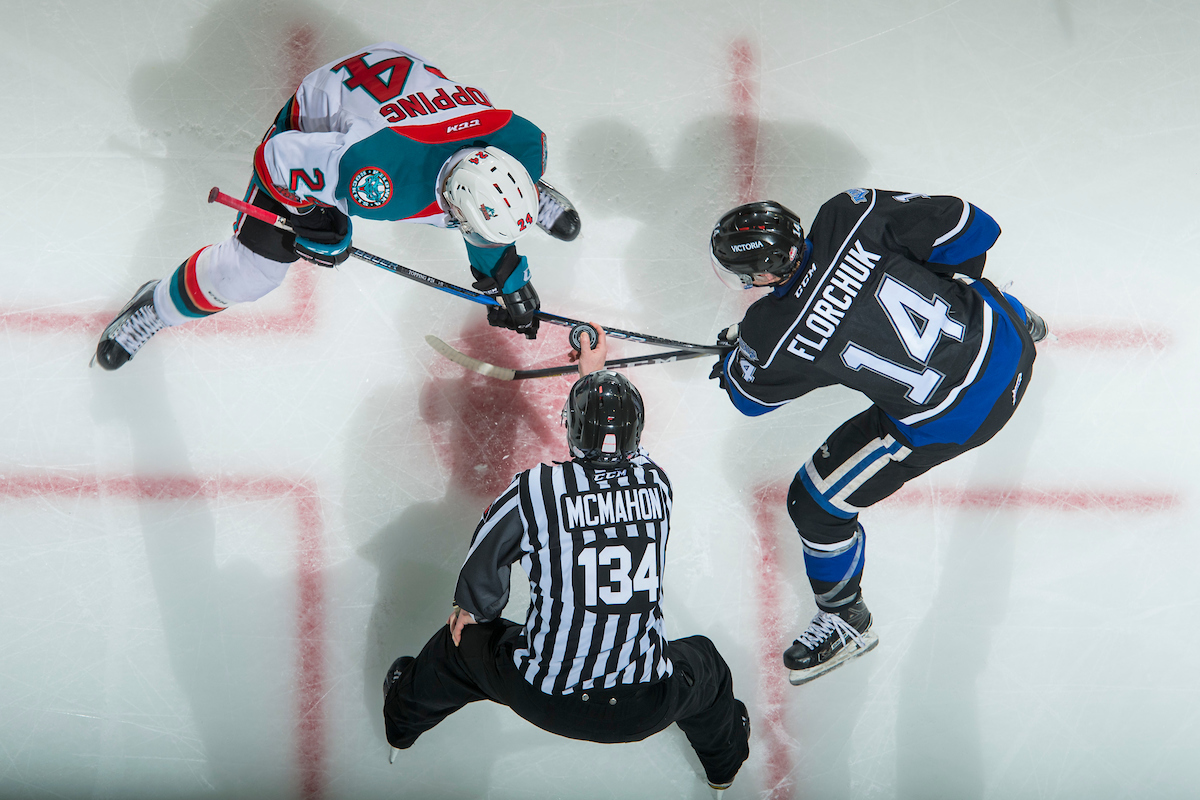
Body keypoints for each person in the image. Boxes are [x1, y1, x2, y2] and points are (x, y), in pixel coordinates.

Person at [382, 326, 751, 797]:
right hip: (647, 703)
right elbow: (613, 467)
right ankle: (725, 766)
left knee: (455, 650)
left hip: (545, 695)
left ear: (571, 427)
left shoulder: (536, 489)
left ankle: (400, 725)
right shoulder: (658, 486)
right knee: (707, 667)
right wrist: (595, 378)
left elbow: (489, 552)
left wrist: (472, 607)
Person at [708, 190, 1046, 686]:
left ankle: (846, 618)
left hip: (967, 417)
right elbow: (974, 229)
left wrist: (740, 355)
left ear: (763, 272)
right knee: (960, 289)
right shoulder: (849, 213)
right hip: (1009, 337)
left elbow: (749, 397)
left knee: (815, 503)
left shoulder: (771, 331)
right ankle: (1026, 322)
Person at [93, 41, 580, 371]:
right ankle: (155, 306)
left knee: (473, 208)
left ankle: (517, 203)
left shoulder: (521, 142)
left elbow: (478, 211)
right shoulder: (378, 179)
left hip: (402, 90)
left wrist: (508, 274)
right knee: (249, 274)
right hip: (326, 124)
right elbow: (276, 158)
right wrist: (313, 219)